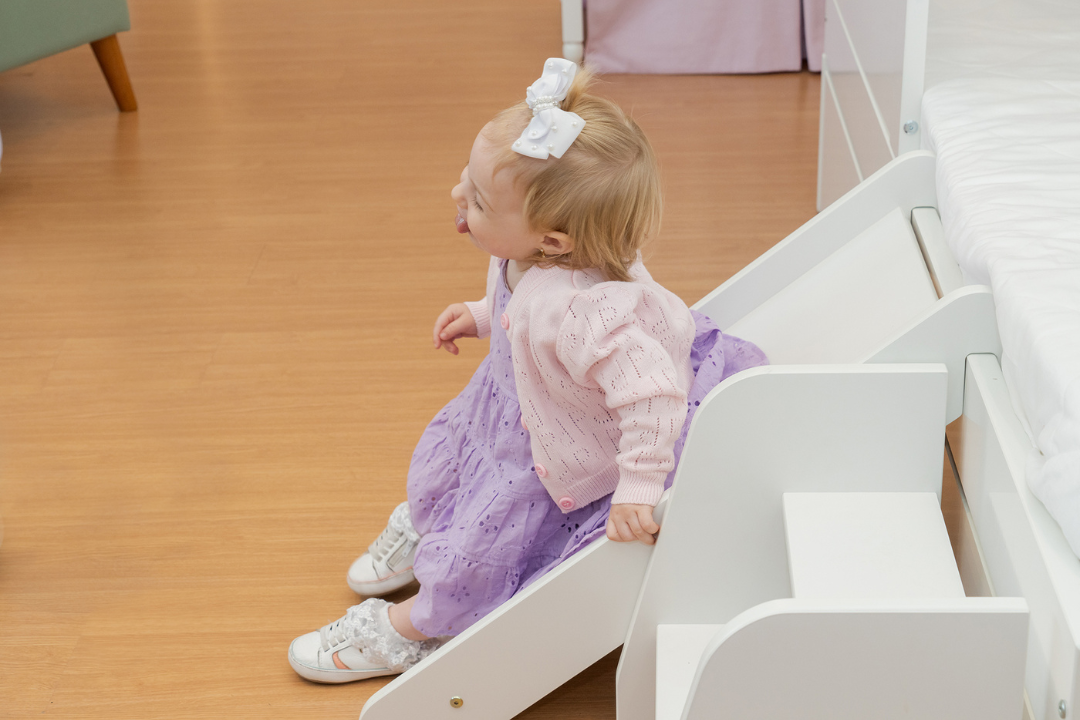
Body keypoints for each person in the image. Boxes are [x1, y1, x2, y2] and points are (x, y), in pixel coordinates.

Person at [287, 59, 767, 683]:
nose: (457, 196)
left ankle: (418, 627)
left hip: (557, 445)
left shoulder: (586, 312)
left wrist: (640, 486)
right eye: (467, 178)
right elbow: (520, 299)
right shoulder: (527, 255)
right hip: (514, 405)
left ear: (555, 242)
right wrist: (483, 313)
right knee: (459, 468)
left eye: (478, 199)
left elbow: (652, 395)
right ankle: (435, 531)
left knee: (490, 540)